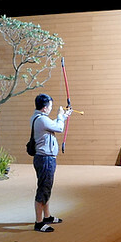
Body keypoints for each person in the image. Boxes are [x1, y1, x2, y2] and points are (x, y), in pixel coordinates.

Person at [31, 93, 71, 232]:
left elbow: (53, 125)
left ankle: (46, 216)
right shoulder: (42, 119)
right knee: (43, 189)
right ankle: (39, 222)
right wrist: (60, 116)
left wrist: (63, 117)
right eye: (50, 106)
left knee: (46, 188)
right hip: (45, 159)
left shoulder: (38, 118)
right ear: (44, 108)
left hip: (45, 159)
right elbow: (59, 128)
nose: (51, 108)